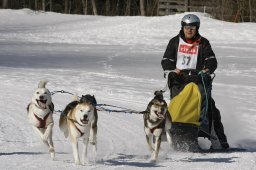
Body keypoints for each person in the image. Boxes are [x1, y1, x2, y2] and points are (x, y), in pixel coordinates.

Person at [161, 14, 229, 149]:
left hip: (198, 79)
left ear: (197, 28)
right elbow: (166, 60)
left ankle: (220, 142)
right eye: (186, 27)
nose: (189, 30)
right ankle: (172, 134)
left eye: (192, 27)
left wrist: (207, 69)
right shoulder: (174, 42)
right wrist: (172, 69)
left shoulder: (203, 42)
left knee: (211, 109)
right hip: (179, 80)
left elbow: (211, 59)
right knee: (177, 106)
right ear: (182, 27)